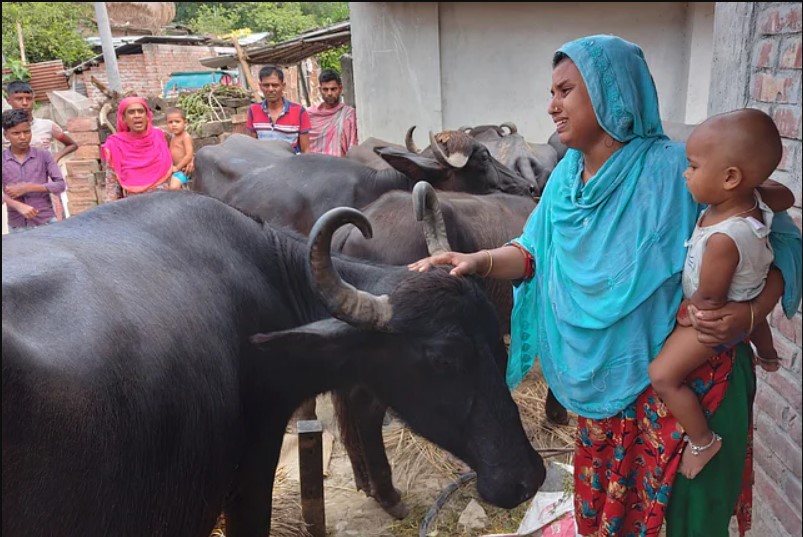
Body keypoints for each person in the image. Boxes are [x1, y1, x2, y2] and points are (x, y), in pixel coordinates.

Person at [409, 35, 801, 536]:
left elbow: (781, 240)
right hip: (608, 402)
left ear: (612, 93)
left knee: (690, 523)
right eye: (552, 92)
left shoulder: (680, 171)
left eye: (565, 91)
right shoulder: (565, 180)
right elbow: (533, 253)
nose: (551, 106)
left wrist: (751, 314)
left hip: (693, 392)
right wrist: (478, 260)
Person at [649, 109, 792, 481]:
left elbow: (709, 302)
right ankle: (769, 354)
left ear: (730, 178)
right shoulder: (751, 202)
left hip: (717, 317)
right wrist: (759, 187)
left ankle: (702, 440)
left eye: (693, 167)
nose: (685, 173)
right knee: (754, 317)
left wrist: (684, 313)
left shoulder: (723, 240)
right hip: (752, 293)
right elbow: (786, 195)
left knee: (662, 375)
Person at [3, 80, 78, 220]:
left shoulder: (47, 126)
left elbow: (72, 144)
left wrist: (55, 158)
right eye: (19, 99)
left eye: (29, 99)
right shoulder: (5, 129)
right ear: (9, 100)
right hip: (16, 189)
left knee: (55, 220)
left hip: (45, 184)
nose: (25, 103)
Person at [2, 108, 66, 232]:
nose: (23, 137)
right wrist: (16, 204)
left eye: (26, 132)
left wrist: (29, 187)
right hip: (17, 227)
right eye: (16, 133)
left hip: (46, 223)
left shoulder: (43, 155)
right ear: (6, 135)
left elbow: (60, 185)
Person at [101, 96, 174, 201]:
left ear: (147, 116)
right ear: (124, 118)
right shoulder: (115, 145)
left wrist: (189, 161)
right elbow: (111, 186)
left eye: (141, 111)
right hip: (135, 209)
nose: (137, 116)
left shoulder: (161, 136)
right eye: (131, 112)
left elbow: (180, 153)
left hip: (166, 203)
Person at [246, 65, 310, 153]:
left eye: (275, 85)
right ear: (260, 86)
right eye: (266, 85)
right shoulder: (253, 110)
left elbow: (305, 150)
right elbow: (252, 147)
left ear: (283, 86)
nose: (270, 89)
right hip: (264, 164)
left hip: (290, 164)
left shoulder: (299, 111)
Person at [307, 69, 358, 157]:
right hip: (314, 166)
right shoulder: (310, 114)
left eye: (333, 89)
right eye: (325, 89)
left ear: (340, 89)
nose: (329, 93)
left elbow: (352, 147)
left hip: (339, 166)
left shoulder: (348, 114)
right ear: (320, 90)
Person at [165, 107, 194, 190]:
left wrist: (177, 168)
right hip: (175, 169)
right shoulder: (173, 136)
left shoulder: (185, 137)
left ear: (185, 123)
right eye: (170, 122)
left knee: (173, 188)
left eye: (177, 122)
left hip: (183, 170)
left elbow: (189, 155)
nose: (173, 124)